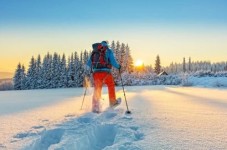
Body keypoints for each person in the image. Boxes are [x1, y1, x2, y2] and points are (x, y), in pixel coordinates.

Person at [87, 41, 121, 113]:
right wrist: (118, 67)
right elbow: (113, 61)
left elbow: (88, 64)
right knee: (111, 85)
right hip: (106, 73)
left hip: (96, 74)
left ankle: (95, 107)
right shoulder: (108, 51)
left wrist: (88, 72)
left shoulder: (95, 51)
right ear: (107, 45)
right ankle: (112, 102)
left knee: (97, 89)